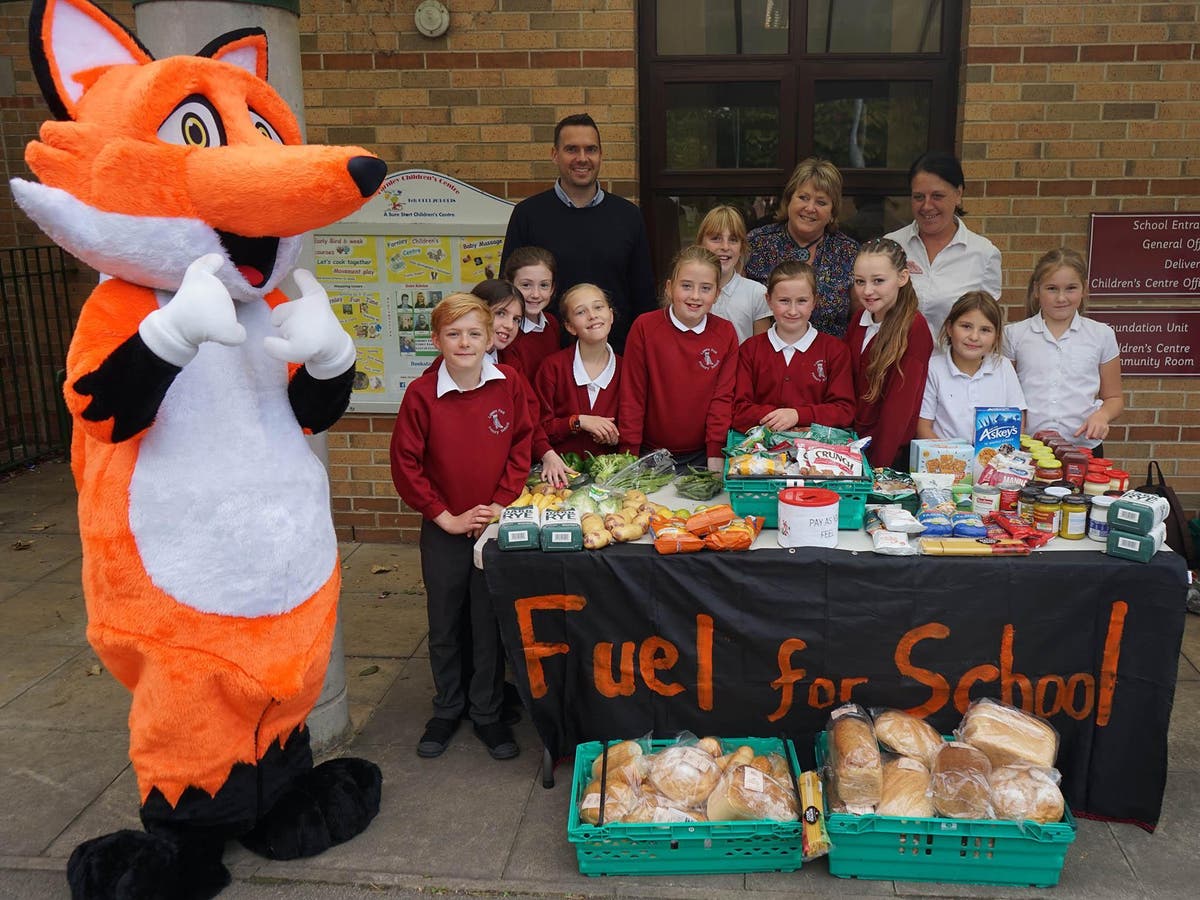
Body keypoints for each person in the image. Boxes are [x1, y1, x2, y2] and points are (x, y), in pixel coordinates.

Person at [389, 294, 533, 761]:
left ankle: (487, 713)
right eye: (453, 333)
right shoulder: (421, 394)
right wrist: (444, 516)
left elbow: (521, 445)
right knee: (446, 622)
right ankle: (448, 708)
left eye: (475, 333)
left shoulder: (508, 383)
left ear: (491, 338)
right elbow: (406, 465)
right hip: (445, 529)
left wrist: (498, 504)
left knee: (488, 623)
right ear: (436, 340)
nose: (465, 342)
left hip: (491, 525)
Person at [500, 113, 656, 351]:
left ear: (601, 154)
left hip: (614, 356)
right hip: (543, 356)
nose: (582, 158)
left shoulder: (628, 216)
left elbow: (644, 297)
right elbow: (508, 293)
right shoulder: (528, 215)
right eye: (572, 149)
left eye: (590, 149)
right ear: (555, 154)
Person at [618, 246, 737, 471]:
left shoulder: (726, 333)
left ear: (717, 294)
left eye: (705, 288)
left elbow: (723, 398)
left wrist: (715, 454)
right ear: (669, 288)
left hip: (702, 457)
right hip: (648, 454)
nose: (695, 296)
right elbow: (632, 395)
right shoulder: (645, 327)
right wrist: (629, 454)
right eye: (686, 286)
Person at [1003, 248, 1123, 451]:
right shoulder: (1014, 334)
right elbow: (1003, 394)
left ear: (1084, 289)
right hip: (1028, 448)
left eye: (1071, 288)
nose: (1061, 298)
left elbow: (1114, 398)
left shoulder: (1101, 334)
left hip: (1083, 447)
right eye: (1051, 288)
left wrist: (1102, 415)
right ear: (1036, 290)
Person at [885, 152, 1002, 341]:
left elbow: (988, 326)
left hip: (953, 367)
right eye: (918, 197)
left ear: (958, 194)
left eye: (937, 196)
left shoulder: (984, 254)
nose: (927, 206)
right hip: (898, 364)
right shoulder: (891, 246)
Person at [733, 260, 855, 433]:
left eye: (802, 301)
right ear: (768, 300)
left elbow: (844, 410)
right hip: (759, 455)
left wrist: (798, 415)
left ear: (814, 301)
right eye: (784, 301)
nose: (792, 311)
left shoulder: (835, 350)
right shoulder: (750, 350)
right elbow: (739, 410)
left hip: (817, 453)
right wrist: (780, 418)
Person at [744, 157, 860, 338]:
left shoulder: (849, 252)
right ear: (789, 200)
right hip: (767, 360)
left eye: (821, 202)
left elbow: (859, 319)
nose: (810, 208)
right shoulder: (756, 244)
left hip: (831, 361)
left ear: (832, 212)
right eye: (803, 197)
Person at [844, 238, 934, 469]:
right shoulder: (859, 320)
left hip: (888, 456)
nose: (867, 290)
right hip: (854, 445)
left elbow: (900, 409)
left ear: (902, 278)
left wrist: (878, 468)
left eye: (878, 281)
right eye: (859, 281)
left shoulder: (914, 328)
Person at [469, 279, 570, 486]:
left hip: (503, 480)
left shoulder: (510, 361)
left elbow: (529, 414)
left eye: (516, 319)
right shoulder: (445, 368)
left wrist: (546, 452)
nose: (509, 325)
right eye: (500, 314)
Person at [917, 291, 1025, 442]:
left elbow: (1017, 419)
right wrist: (955, 457)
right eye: (966, 326)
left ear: (996, 336)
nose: (974, 337)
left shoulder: (1003, 366)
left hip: (995, 462)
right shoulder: (933, 368)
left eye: (985, 330)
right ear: (949, 328)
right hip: (945, 461)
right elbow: (923, 427)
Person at [534, 283, 622, 457]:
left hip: (611, 479)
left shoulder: (628, 369)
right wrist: (577, 421)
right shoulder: (552, 367)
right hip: (559, 476)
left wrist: (615, 437)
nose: (592, 316)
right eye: (581, 312)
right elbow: (537, 429)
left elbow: (635, 426)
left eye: (598, 307)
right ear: (570, 327)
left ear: (611, 315)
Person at [696, 205, 772, 343]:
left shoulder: (756, 293)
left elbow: (761, 353)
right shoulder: (688, 291)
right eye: (716, 238)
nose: (725, 247)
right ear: (701, 243)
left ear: (741, 247)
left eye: (733, 239)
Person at [502, 246, 561, 378]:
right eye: (526, 285)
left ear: (552, 289)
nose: (535, 294)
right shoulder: (507, 332)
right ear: (509, 285)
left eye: (544, 285)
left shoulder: (552, 323)